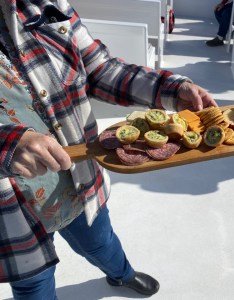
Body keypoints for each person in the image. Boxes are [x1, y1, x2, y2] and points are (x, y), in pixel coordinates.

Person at [0, 0, 217, 299]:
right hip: (11, 210)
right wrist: (6, 145)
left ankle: (121, 274)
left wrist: (169, 89)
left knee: (101, 242)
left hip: (80, 181)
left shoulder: (48, 4)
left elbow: (101, 70)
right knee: (33, 284)